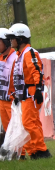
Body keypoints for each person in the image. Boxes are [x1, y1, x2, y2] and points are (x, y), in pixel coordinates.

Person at [8, 23, 52, 159]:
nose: (11, 41)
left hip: (31, 93)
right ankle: (34, 151)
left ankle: (41, 150)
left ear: (20, 39)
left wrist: (38, 90)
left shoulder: (28, 53)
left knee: (29, 122)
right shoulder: (20, 54)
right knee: (31, 122)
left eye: (13, 38)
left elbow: (36, 71)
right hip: (24, 94)